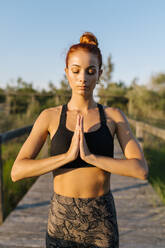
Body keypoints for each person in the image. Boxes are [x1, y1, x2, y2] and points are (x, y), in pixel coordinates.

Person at [11, 32, 148, 248]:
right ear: (67, 73)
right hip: (61, 218)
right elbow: (17, 171)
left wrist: (91, 157)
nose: (82, 78)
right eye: (75, 71)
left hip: (101, 218)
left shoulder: (113, 116)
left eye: (90, 71)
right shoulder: (50, 116)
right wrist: (66, 157)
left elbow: (140, 169)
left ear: (99, 74)